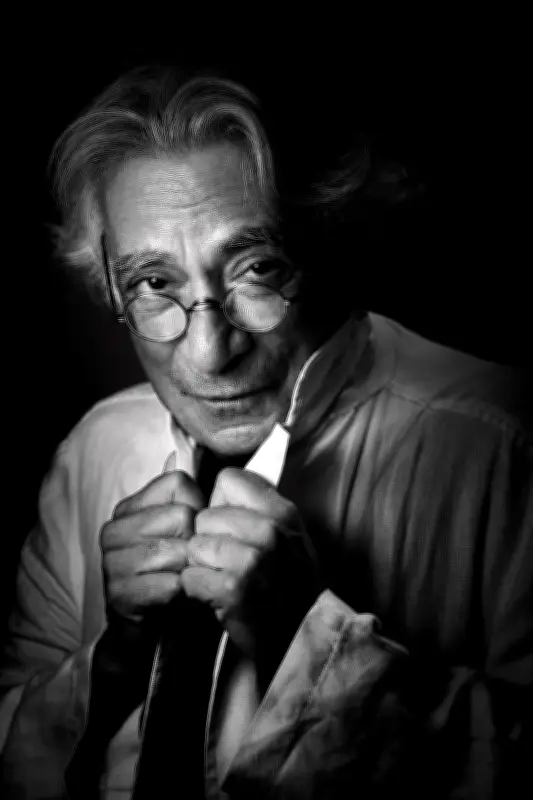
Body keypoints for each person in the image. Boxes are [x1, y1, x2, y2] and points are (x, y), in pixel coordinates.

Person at [0, 63, 531, 800]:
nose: (208, 354)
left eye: (256, 269)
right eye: (154, 283)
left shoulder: (505, 445)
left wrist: (309, 646)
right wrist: (113, 659)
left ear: (326, 240)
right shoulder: (93, 451)